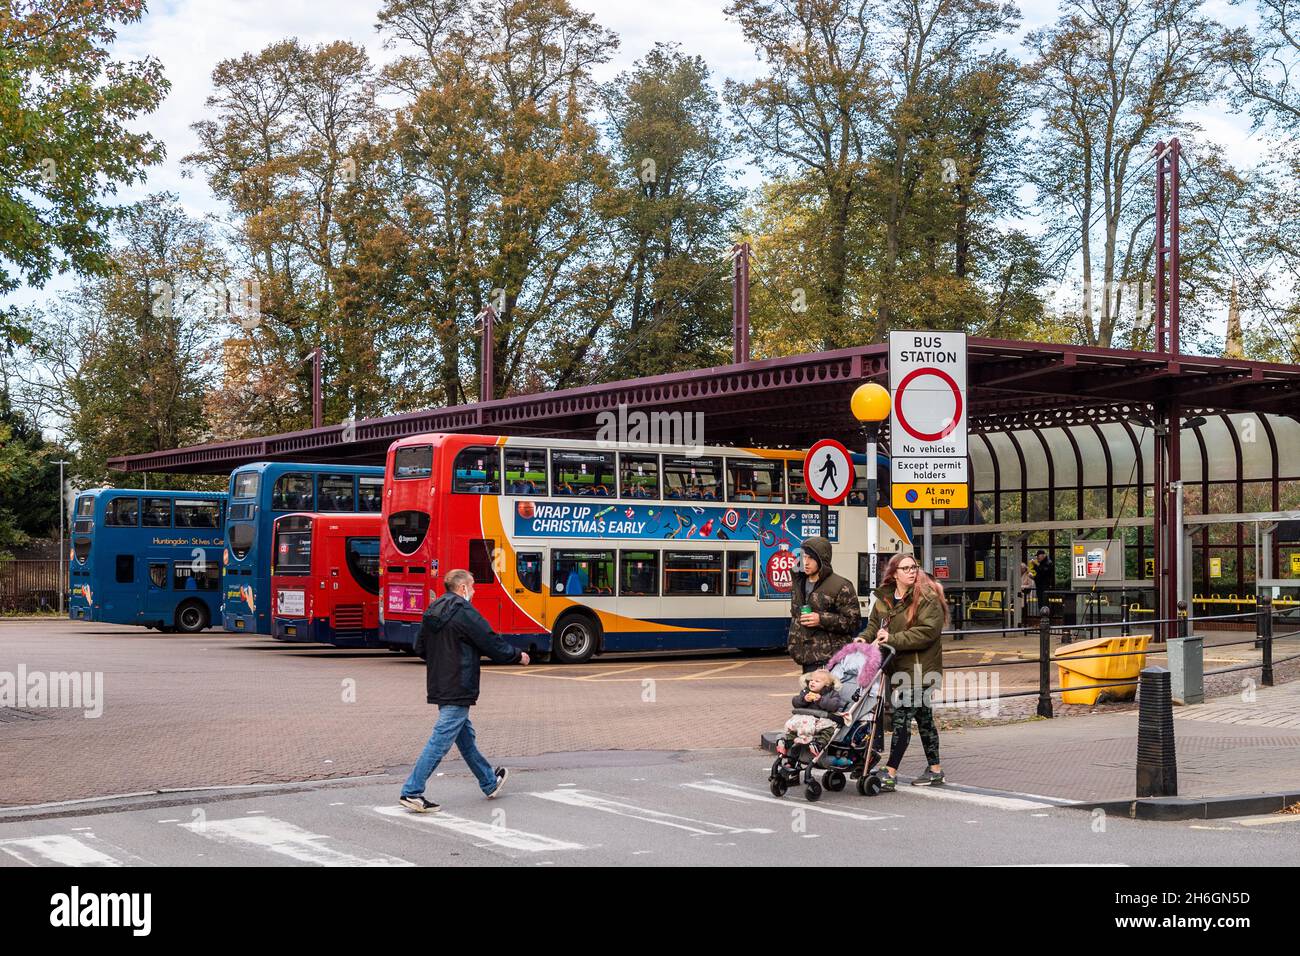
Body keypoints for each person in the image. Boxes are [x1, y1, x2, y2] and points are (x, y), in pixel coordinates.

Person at [399, 569, 529, 813]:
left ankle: (489, 782)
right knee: (441, 739)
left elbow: (419, 646)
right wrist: (517, 655)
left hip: (440, 682)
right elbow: (490, 641)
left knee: (464, 736)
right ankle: (412, 791)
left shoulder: (433, 608)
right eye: (473, 586)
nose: (475, 591)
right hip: (460, 683)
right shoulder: (464, 612)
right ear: (462, 589)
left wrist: (441, 661)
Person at [864, 552, 948, 790]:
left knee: (901, 719)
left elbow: (927, 632)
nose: (912, 571)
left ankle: (890, 772)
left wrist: (892, 638)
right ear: (894, 573)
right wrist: (863, 639)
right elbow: (874, 625)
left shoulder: (926, 597)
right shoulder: (885, 598)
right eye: (906, 568)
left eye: (914, 567)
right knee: (924, 720)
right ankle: (935, 771)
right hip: (899, 667)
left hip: (920, 669)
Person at [787, 536, 860, 672]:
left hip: (831, 661)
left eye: (811, 558)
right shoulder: (799, 582)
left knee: (829, 694)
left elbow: (853, 622)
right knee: (810, 694)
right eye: (803, 557)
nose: (806, 562)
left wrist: (821, 619)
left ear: (822, 560)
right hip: (806, 658)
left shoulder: (841, 585)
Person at [776, 668, 848, 758]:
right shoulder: (806, 691)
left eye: (817, 681)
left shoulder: (831, 693)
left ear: (826, 684)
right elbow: (795, 702)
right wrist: (804, 699)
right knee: (793, 730)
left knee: (828, 730)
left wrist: (820, 700)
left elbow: (834, 705)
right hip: (804, 720)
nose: (812, 682)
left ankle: (818, 744)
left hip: (821, 720)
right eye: (811, 680)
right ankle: (785, 743)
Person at [1032, 549, 1055, 614]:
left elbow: (1043, 572)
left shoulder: (1048, 563)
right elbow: (1040, 575)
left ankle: (1046, 619)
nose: (1037, 558)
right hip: (1040, 587)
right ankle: (1043, 618)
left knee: (1044, 604)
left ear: (1043, 555)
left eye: (1038, 556)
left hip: (1044, 588)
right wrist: (1033, 577)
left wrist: (1035, 565)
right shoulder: (1043, 563)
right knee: (1041, 604)